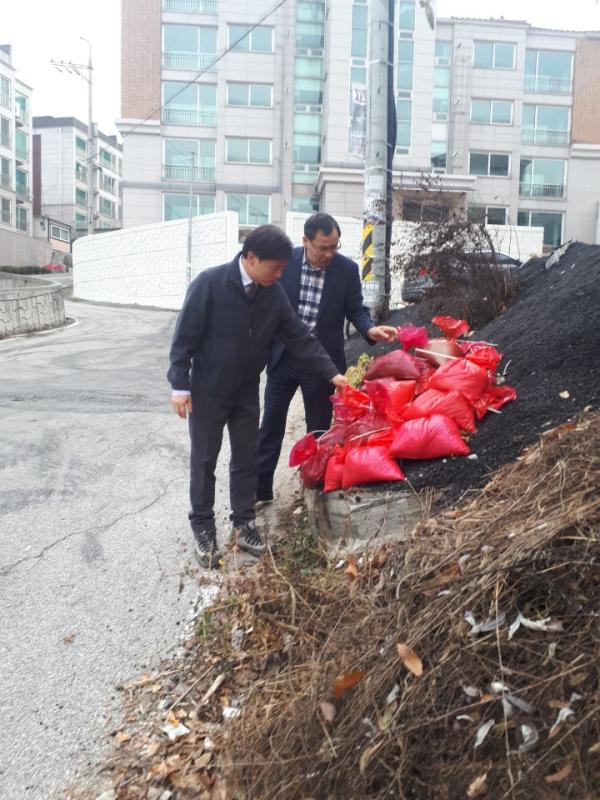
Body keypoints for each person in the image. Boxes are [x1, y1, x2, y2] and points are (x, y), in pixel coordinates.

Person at [168, 224, 347, 568]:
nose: (280, 275)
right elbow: (184, 338)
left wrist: (331, 372)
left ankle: (244, 522)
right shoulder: (210, 284)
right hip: (208, 390)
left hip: (247, 389)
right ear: (251, 258)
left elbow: (299, 336)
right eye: (275, 268)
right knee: (204, 459)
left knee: (246, 457)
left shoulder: (272, 294)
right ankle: (203, 525)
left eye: (283, 268)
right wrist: (180, 385)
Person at [256, 212, 397, 503]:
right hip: (283, 359)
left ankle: (313, 487)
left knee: (319, 431)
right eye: (323, 248)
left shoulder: (346, 270)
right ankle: (260, 490)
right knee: (270, 425)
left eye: (335, 246)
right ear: (306, 241)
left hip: (321, 365)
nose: (330, 254)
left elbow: (356, 309)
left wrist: (370, 329)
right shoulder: (286, 264)